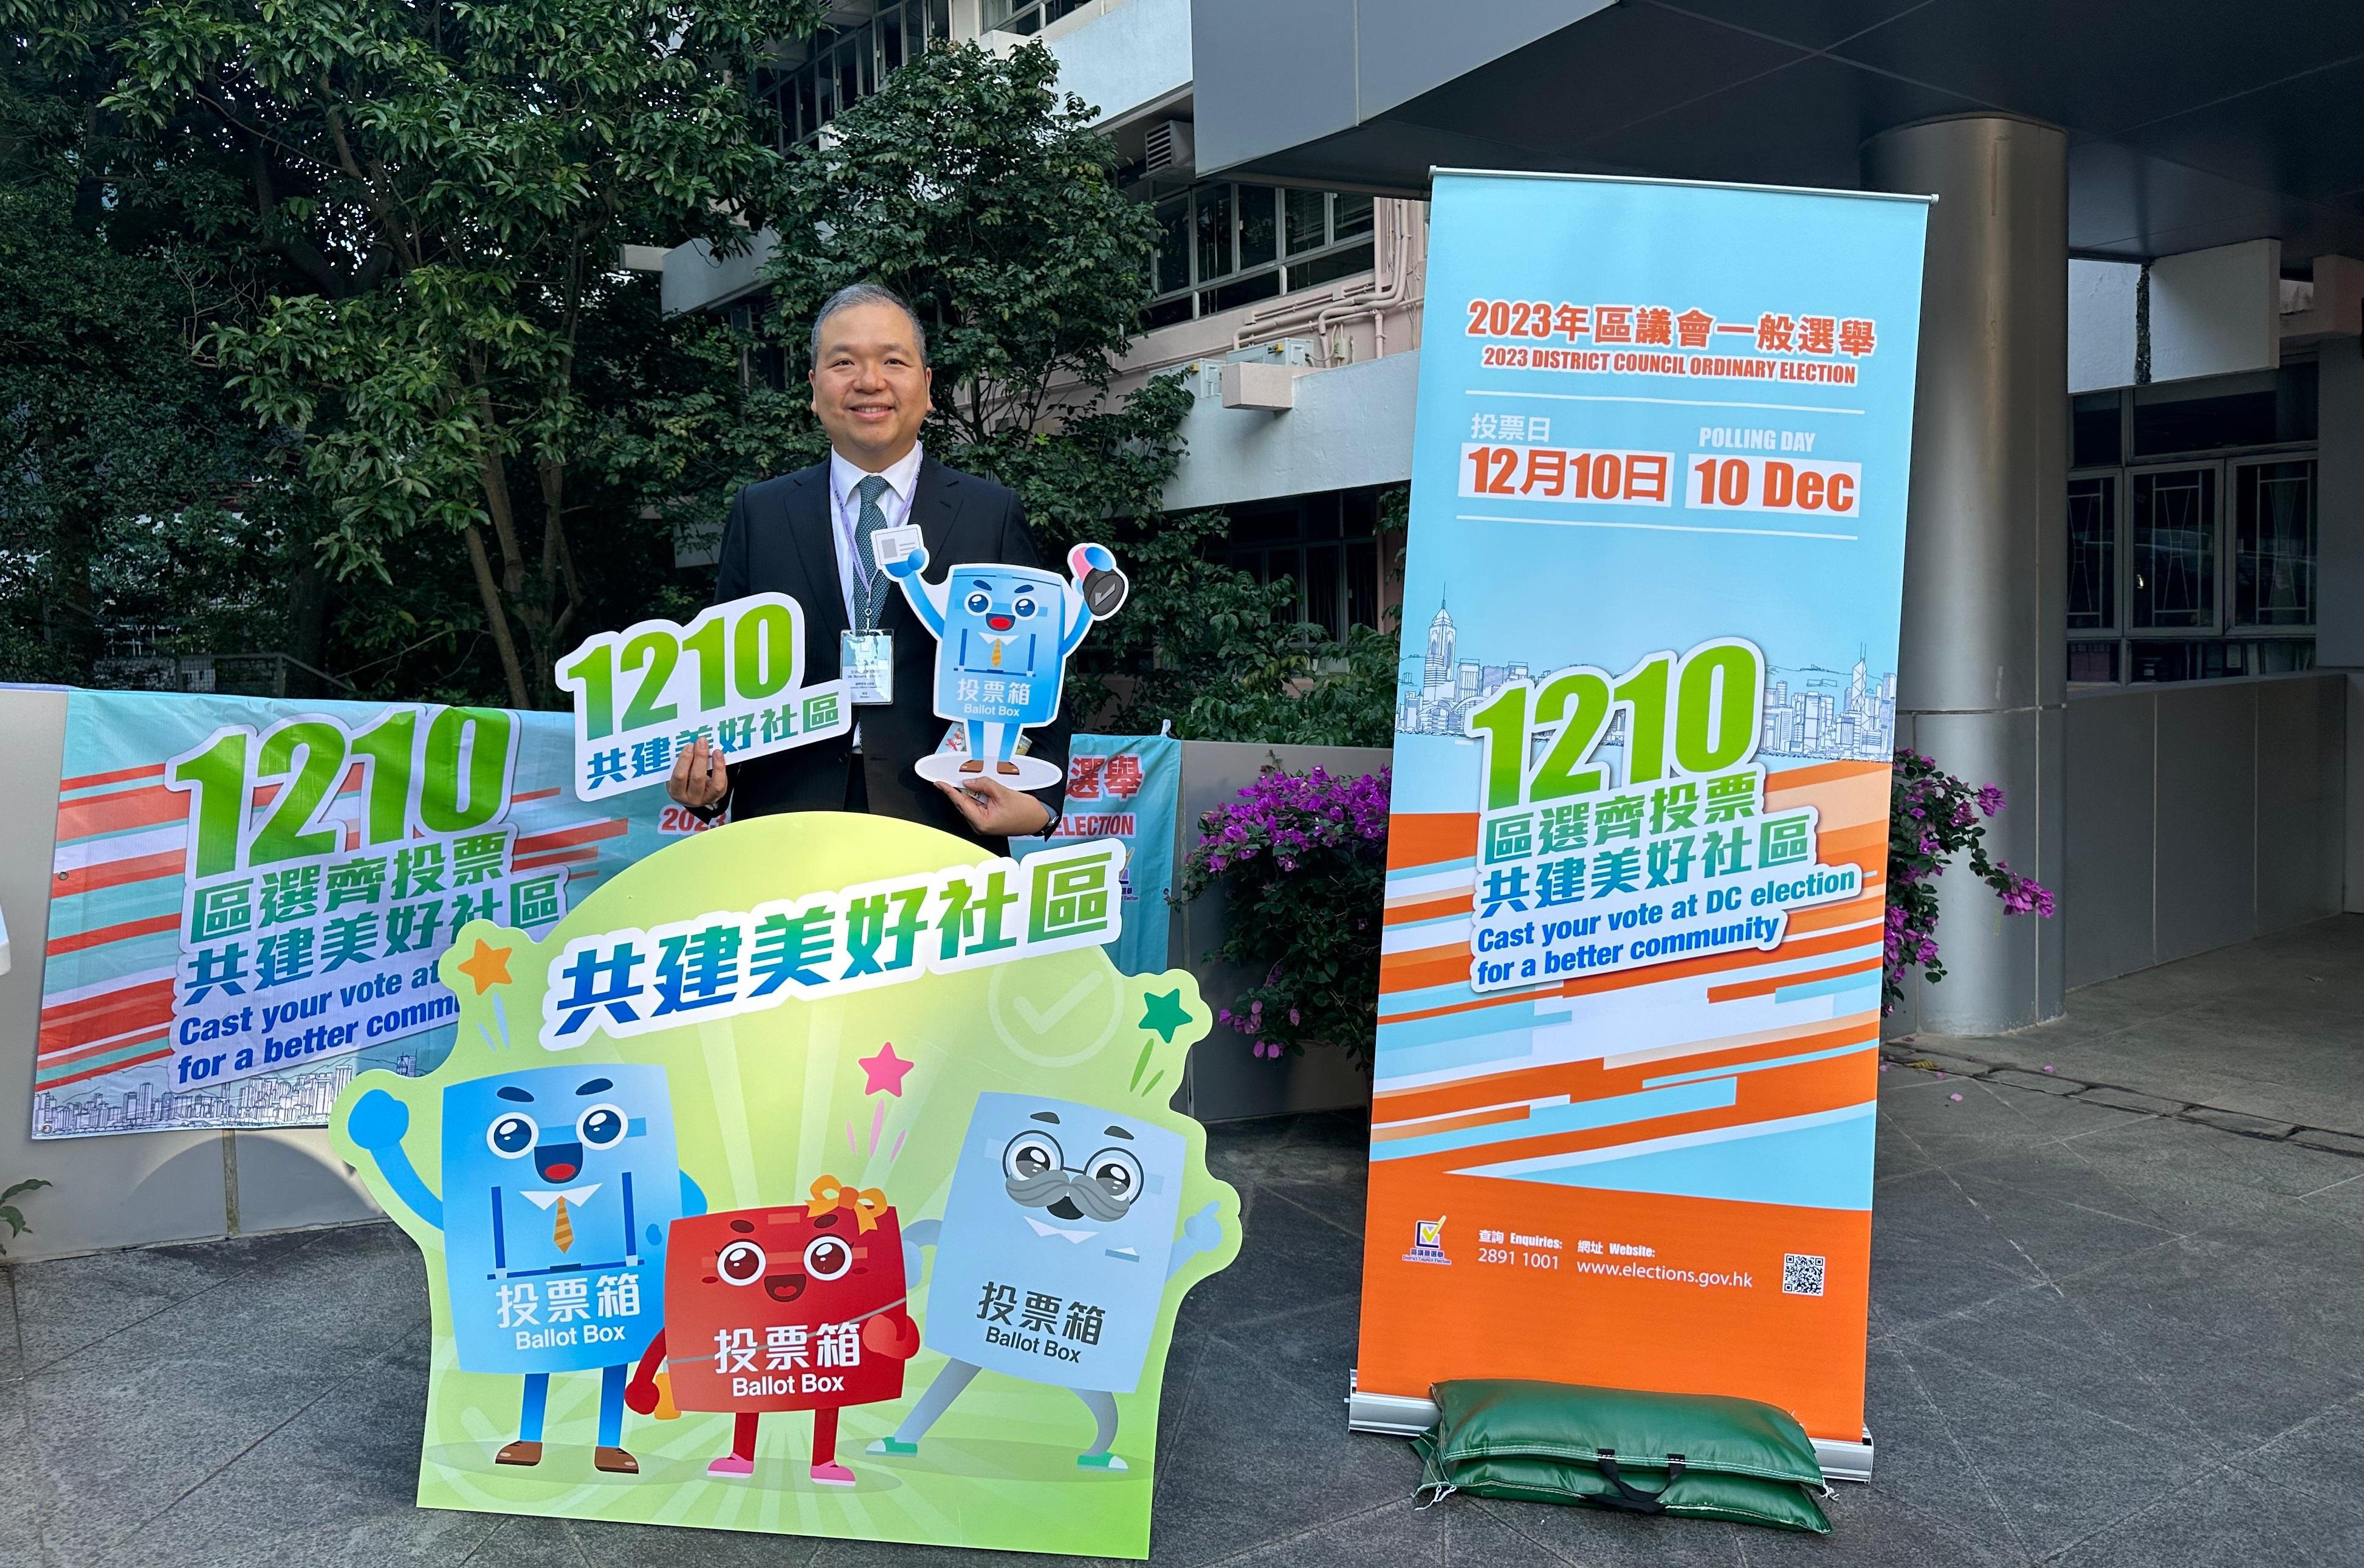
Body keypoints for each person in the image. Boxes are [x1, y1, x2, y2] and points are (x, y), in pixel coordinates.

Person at [667, 283, 1068, 850]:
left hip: (942, 819)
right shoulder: (760, 512)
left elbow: (1040, 671)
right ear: (813, 389)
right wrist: (706, 783)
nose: (869, 381)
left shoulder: (990, 513)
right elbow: (724, 675)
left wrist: (1040, 804)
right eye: (844, 362)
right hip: (785, 827)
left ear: (927, 388)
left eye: (893, 361)